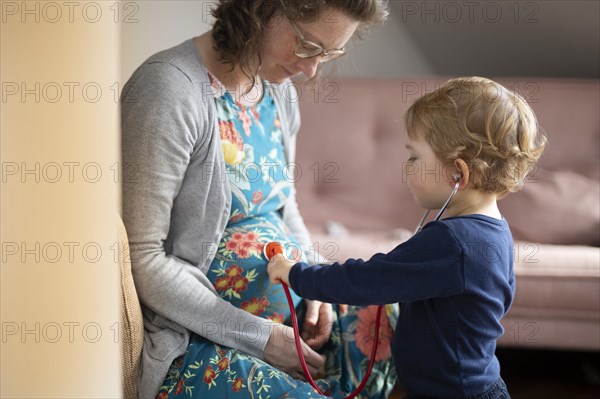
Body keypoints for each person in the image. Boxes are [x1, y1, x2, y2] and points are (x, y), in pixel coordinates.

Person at [121, 1, 395, 398]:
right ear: (260, 10)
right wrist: (261, 338)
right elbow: (142, 256)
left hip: (289, 319)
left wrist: (317, 280)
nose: (311, 69)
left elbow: (285, 205)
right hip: (201, 336)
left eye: (329, 54)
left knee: (390, 314)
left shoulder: (278, 93)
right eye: (307, 46)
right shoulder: (169, 91)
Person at [268, 77, 548, 399]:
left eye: (414, 157)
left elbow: (366, 280)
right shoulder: (494, 232)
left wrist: (295, 273)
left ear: (458, 173)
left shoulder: (451, 242)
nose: (406, 169)